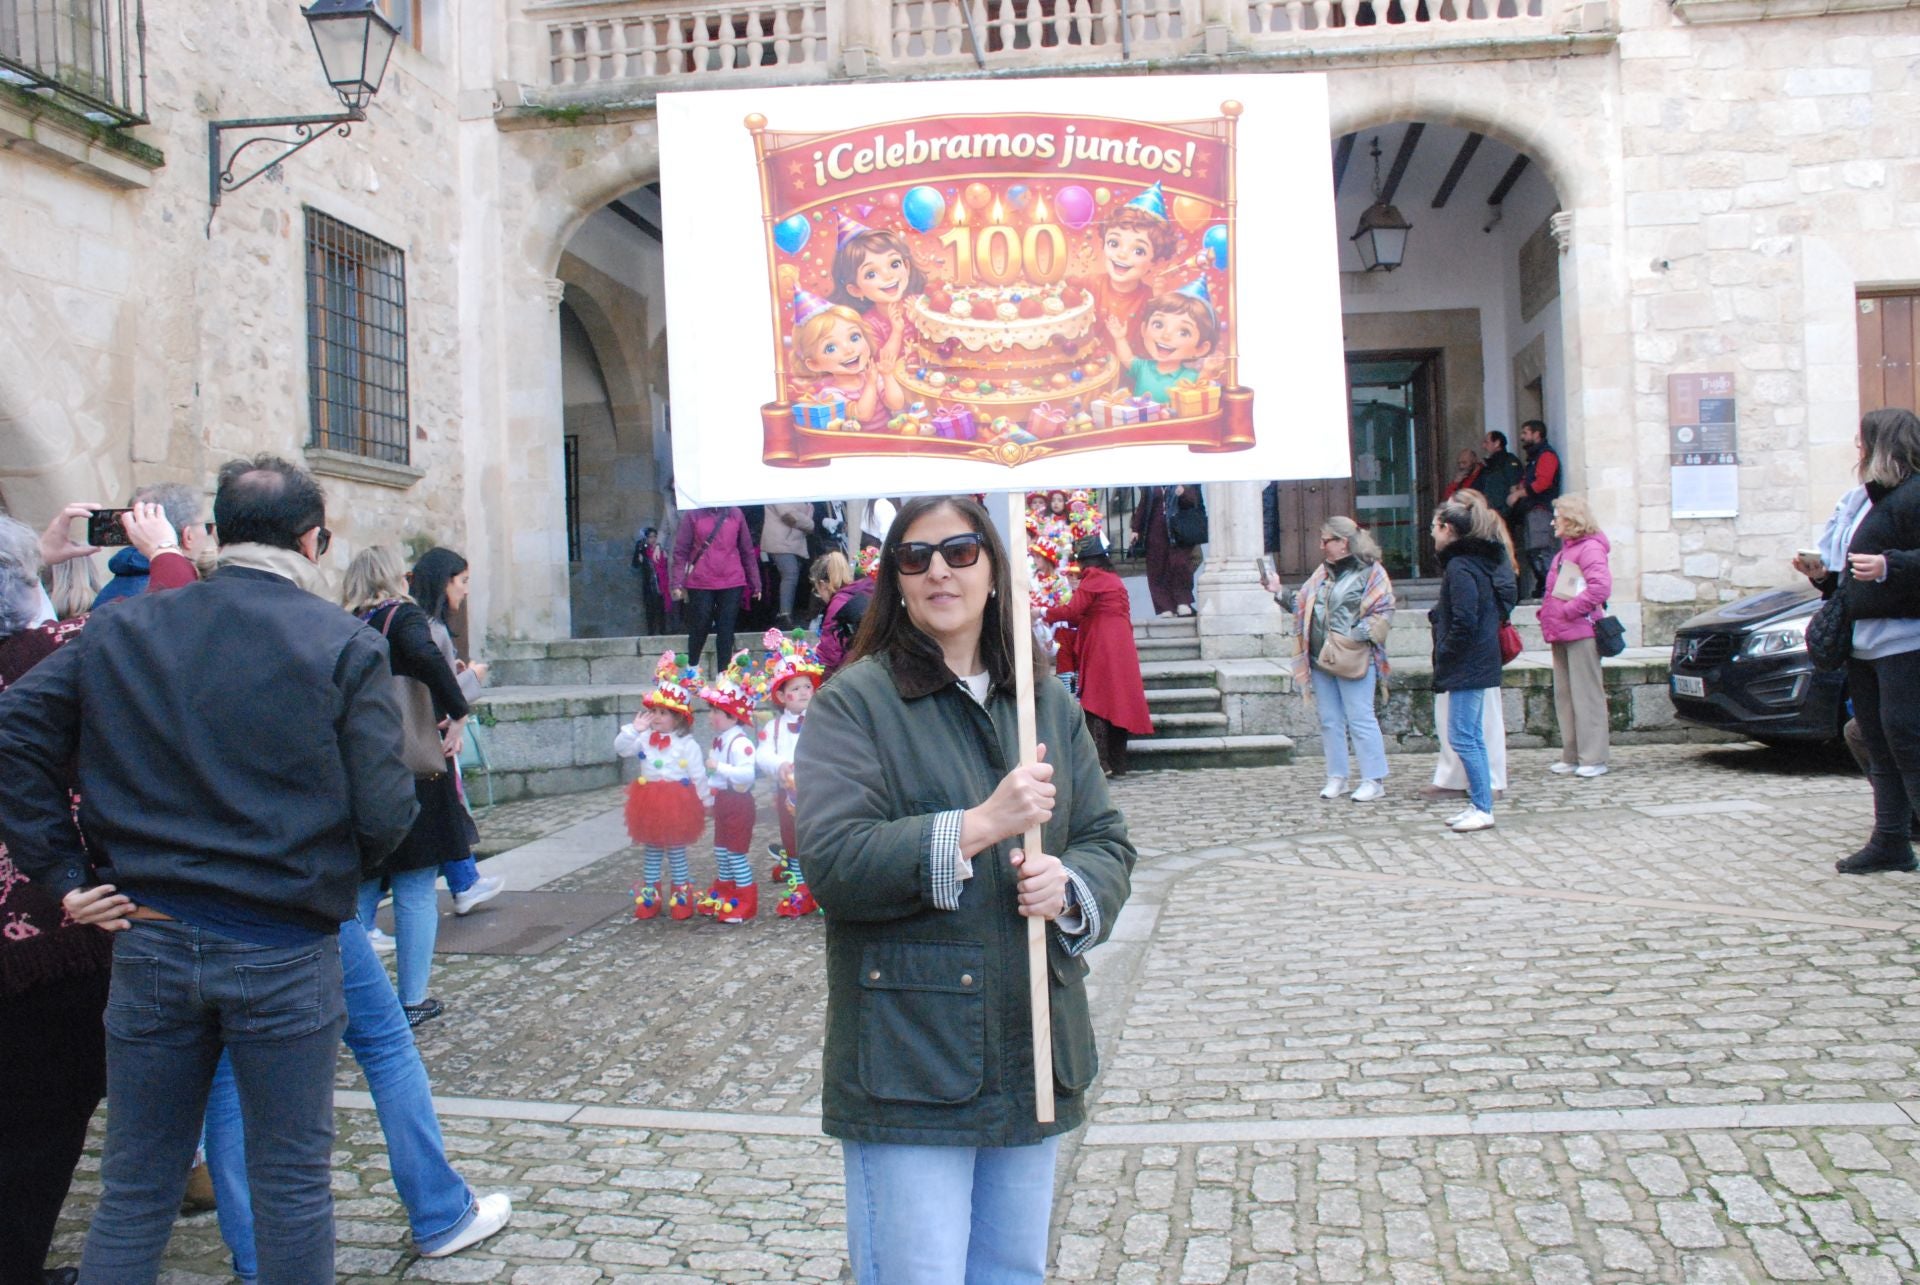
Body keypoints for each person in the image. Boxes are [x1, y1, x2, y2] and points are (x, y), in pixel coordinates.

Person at [0, 455, 419, 1283]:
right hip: (281, 944)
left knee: (135, 1188)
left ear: (217, 536)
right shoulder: (340, 641)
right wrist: (320, 874)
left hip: (152, 933)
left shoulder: (123, 629)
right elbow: (386, 810)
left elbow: (16, 729)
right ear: (314, 539)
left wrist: (66, 871)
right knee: (291, 1184)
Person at [796, 495, 1135, 1283]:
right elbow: (834, 863)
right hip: (911, 1055)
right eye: (915, 557)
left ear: (993, 566)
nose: (939, 569)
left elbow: (1107, 841)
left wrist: (1071, 885)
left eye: (959, 550)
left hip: (1032, 1041)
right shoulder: (855, 701)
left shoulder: (1046, 701)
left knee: (1013, 1271)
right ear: (897, 582)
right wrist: (981, 823)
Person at [0, 503, 196, 1285]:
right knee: (41, 1124)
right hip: (50, 931)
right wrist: (165, 552)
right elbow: (164, 633)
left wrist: (33, 565)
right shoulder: (51, 648)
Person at [199, 914, 513, 1279]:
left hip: (193, 914)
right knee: (386, 1043)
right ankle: (440, 1211)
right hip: (298, 900)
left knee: (227, 1079)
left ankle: (254, 1255)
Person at [345, 546, 473, 1028]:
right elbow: (424, 656)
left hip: (362, 770)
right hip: (416, 767)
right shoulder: (404, 617)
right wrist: (458, 709)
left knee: (361, 889)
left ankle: (356, 998)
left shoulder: (345, 623)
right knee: (416, 888)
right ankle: (411, 998)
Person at [1814, 408, 1920, 874]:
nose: (1858, 450)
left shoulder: (1914, 495)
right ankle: (1891, 841)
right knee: (1877, 742)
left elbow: (1895, 560)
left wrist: (1890, 565)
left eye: (1865, 441)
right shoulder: (1867, 499)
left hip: (1905, 636)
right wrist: (1823, 576)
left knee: (1906, 739)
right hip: (1865, 637)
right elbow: (1849, 570)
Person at [1265, 517, 1395, 802]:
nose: (1321, 546)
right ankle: (1337, 776)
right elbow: (1302, 604)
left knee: (1361, 718)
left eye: (1326, 541)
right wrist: (1278, 591)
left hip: (1354, 657)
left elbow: (1383, 612)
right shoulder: (1322, 573)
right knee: (1330, 720)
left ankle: (1373, 779)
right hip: (1319, 657)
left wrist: (1352, 637)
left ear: (1343, 543)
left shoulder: (1371, 572)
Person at [409, 547, 503, 918]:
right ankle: (464, 883)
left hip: (426, 734)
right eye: (462, 582)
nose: (465, 591)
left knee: (447, 811)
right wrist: (472, 678)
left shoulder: (424, 626)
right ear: (444, 582)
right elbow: (439, 689)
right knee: (441, 812)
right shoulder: (430, 629)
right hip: (426, 738)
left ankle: (465, 880)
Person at [1429, 497, 1516, 833]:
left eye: (1436, 529)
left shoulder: (1461, 567)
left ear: (1448, 529)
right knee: (1470, 735)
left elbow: (1466, 618)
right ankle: (1480, 803)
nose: (1433, 536)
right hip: (1476, 658)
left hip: (1469, 660)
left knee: (1464, 736)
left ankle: (1483, 806)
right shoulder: (1475, 562)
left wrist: (1447, 650)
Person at [1044, 537, 1154, 776]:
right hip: (1121, 640)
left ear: (1086, 562)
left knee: (1097, 699)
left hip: (1102, 642)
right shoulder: (1114, 579)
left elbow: (1073, 612)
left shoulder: (1093, 578)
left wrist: (1042, 612)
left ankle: (1100, 763)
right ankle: (1118, 762)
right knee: (1119, 699)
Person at [616, 653, 714, 919]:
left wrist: (705, 801)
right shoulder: (644, 737)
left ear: (678, 718)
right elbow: (622, 749)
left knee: (677, 849)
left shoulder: (687, 744)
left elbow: (698, 774)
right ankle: (650, 897)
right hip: (648, 800)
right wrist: (634, 730)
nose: (656, 717)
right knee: (652, 849)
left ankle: (682, 897)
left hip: (677, 802)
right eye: (654, 712)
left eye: (663, 713)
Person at [1538, 495, 1614, 778]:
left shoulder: (1590, 549)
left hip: (1580, 629)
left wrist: (1569, 610)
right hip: (1562, 630)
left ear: (1571, 519)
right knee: (1566, 695)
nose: (1553, 521)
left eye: (1557, 516)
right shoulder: (1565, 551)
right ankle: (1572, 753)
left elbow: (1599, 588)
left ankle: (1593, 756)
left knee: (1586, 695)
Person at [757, 630, 824, 916]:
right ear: (782, 696)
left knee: (821, 839)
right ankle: (799, 887)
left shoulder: (824, 720)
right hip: (789, 796)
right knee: (792, 840)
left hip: (822, 793)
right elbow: (762, 755)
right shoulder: (774, 728)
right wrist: (779, 765)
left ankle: (822, 889)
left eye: (806, 687)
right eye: (794, 689)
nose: (802, 693)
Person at [695, 653, 761, 923]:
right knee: (721, 851)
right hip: (723, 801)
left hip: (738, 803)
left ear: (733, 717)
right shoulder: (721, 740)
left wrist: (719, 769)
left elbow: (748, 772)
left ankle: (746, 898)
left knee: (735, 854)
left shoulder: (740, 743)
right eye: (711, 710)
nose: (711, 716)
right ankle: (724, 892)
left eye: (716, 712)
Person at [91, 482, 209, 609]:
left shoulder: (111, 589)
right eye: (206, 526)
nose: (208, 533)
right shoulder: (180, 593)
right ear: (188, 535)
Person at [672, 505, 761, 669]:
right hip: (701, 578)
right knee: (701, 623)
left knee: (726, 627)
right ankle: (692, 666)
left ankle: (723, 673)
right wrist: (677, 582)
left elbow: (746, 549)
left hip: (732, 578)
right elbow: (681, 550)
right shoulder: (693, 514)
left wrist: (756, 582)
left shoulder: (735, 513)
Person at [1507, 419, 1563, 600]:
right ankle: (1544, 587)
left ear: (1536, 434)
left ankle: (1551, 589)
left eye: (1525, 433)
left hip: (1540, 510)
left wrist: (1519, 494)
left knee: (1541, 550)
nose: (1522, 437)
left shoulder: (1546, 455)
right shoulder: (1536, 457)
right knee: (1533, 551)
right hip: (1532, 510)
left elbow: (1543, 482)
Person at [1132, 483, 1202, 617]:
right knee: (1157, 567)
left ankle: (1182, 601)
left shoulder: (1185, 481)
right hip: (1155, 531)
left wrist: (1183, 494)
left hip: (1179, 530)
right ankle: (1165, 606)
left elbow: (1194, 502)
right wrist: (1136, 529)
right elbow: (1144, 505)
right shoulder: (1151, 485)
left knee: (1180, 564)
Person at [813, 548, 872, 678]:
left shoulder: (837, 604)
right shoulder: (859, 591)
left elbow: (830, 653)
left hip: (851, 673)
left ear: (823, 585)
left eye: (817, 590)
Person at [760, 502, 816, 631]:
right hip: (780, 542)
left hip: (794, 543)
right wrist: (810, 524)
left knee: (791, 577)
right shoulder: (780, 491)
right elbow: (788, 516)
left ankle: (785, 614)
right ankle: (784, 616)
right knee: (790, 574)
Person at [1477, 431, 1523, 522]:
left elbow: (1514, 488)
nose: (1484, 446)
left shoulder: (1509, 461)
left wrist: (1506, 511)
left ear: (1497, 443)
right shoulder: (1488, 465)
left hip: (1503, 515)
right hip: (1489, 513)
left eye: (1487, 442)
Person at [634, 526, 670, 636]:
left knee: (663, 611)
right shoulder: (643, 550)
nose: (653, 539)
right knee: (651, 612)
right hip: (650, 586)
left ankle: (664, 632)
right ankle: (652, 633)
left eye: (655, 536)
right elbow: (635, 564)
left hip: (664, 585)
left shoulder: (663, 550)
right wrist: (639, 556)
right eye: (650, 537)